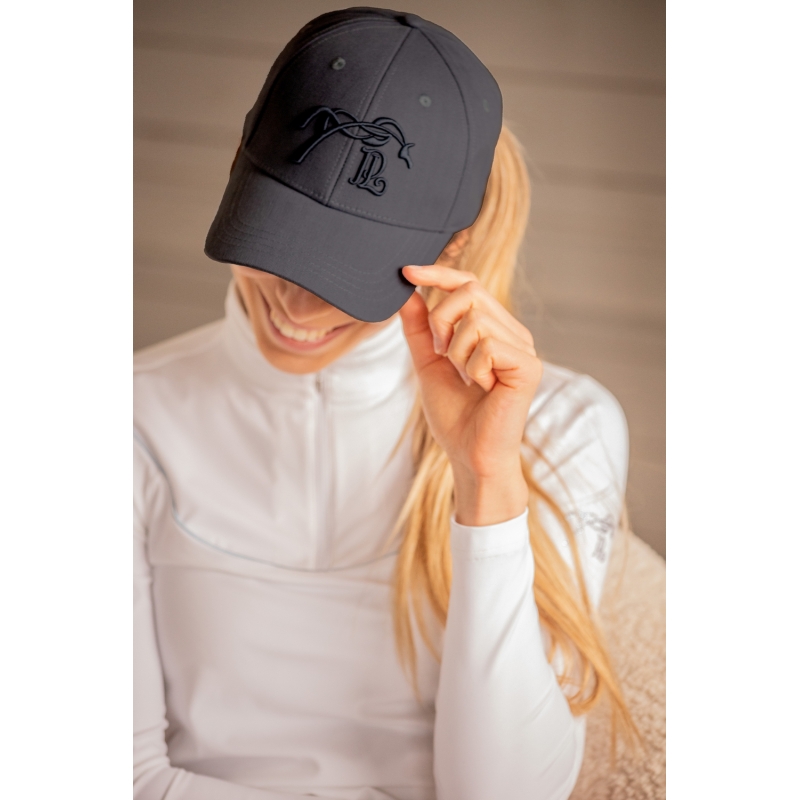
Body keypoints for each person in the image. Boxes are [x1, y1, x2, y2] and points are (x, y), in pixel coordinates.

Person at [134, 8, 636, 800]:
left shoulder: (563, 427)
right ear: (237, 168)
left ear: (452, 245)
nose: (296, 308)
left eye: (344, 268)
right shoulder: (126, 420)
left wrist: (486, 485)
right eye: (280, 242)